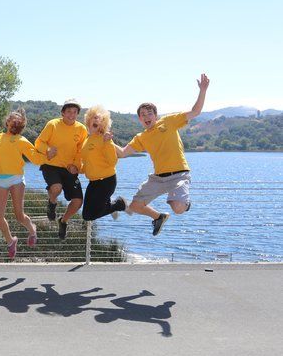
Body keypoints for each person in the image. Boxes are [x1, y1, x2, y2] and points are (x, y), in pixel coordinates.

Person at [115, 74, 210, 236]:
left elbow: (196, 111)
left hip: (179, 175)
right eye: (143, 115)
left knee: (178, 209)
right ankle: (158, 217)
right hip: (158, 178)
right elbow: (122, 153)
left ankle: (186, 204)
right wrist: (105, 139)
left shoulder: (168, 121)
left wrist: (203, 90)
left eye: (149, 113)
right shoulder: (141, 137)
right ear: (139, 119)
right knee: (135, 206)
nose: (146, 117)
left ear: (156, 115)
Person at [0, 108, 48, 259]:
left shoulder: (21, 140)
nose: (14, 122)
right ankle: (10, 241)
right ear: (7, 122)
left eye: (18, 120)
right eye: (12, 119)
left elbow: (35, 158)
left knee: (19, 215)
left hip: (16, 178)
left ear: (21, 124)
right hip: (1, 179)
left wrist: (48, 155)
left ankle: (32, 230)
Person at [34, 99, 88, 240]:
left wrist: (76, 166)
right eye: (69, 111)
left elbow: (80, 151)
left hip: (69, 168)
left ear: (77, 114)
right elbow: (39, 142)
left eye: (75, 112)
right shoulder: (53, 124)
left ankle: (63, 221)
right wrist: (47, 149)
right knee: (56, 188)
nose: (71, 114)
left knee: (77, 201)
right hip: (51, 164)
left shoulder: (81, 129)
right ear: (63, 112)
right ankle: (52, 203)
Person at [80, 105, 130, 221]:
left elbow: (113, 162)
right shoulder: (86, 141)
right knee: (86, 215)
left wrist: (107, 143)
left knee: (90, 215)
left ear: (103, 124)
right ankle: (112, 205)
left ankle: (119, 204)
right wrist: (78, 169)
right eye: (94, 117)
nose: (97, 120)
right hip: (93, 183)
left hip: (106, 181)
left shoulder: (105, 139)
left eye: (100, 119)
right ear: (88, 120)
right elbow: (88, 163)